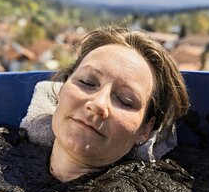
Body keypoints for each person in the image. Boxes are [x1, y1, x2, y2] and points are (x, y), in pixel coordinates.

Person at [49, 26, 190, 182]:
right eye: (87, 82)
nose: (98, 104)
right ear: (62, 88)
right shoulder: (17, 148)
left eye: (125, 100)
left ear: (145, 129)